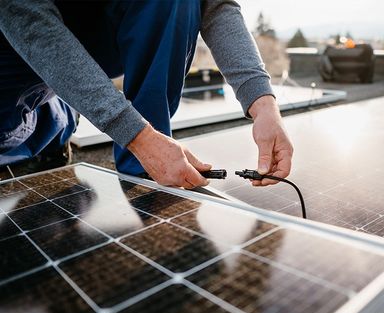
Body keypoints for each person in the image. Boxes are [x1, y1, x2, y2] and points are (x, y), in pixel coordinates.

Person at [0, 0, 293, 189]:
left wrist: (264, 104)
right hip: (14, 38)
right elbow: (29, 20)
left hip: (98, 26)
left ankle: (145, 169)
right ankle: (57, 116)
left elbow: (215, 5)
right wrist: (132, 131)